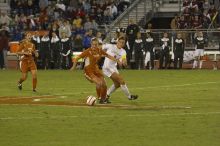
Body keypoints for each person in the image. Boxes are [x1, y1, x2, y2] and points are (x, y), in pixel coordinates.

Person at [70, 38, 120, 104]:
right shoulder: (88, 51)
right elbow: (76, 58)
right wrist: (73, 67)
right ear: (91, 44)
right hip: (88, 71)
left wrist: (117, 60)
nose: (94, 46)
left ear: (97, 45)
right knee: (99, 83)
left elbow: (108, 56)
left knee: (104, 84)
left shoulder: (99, 50)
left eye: (96, 44)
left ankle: (103, 99)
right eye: (93, 44)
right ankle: (99, 97)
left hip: (96, 70)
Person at [102, 36, 138, 102]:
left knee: (117, 84)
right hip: (107, 67)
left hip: (113, 68)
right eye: (120, 42)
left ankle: (106, 95)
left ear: (124, 44)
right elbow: (101, 47)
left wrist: (124, 63)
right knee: (121, 81)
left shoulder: (123, 51)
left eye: (123, 43)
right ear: (117, 42)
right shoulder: (110, 46)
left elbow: (124, 60)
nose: (121, 44)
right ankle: (129, 96)